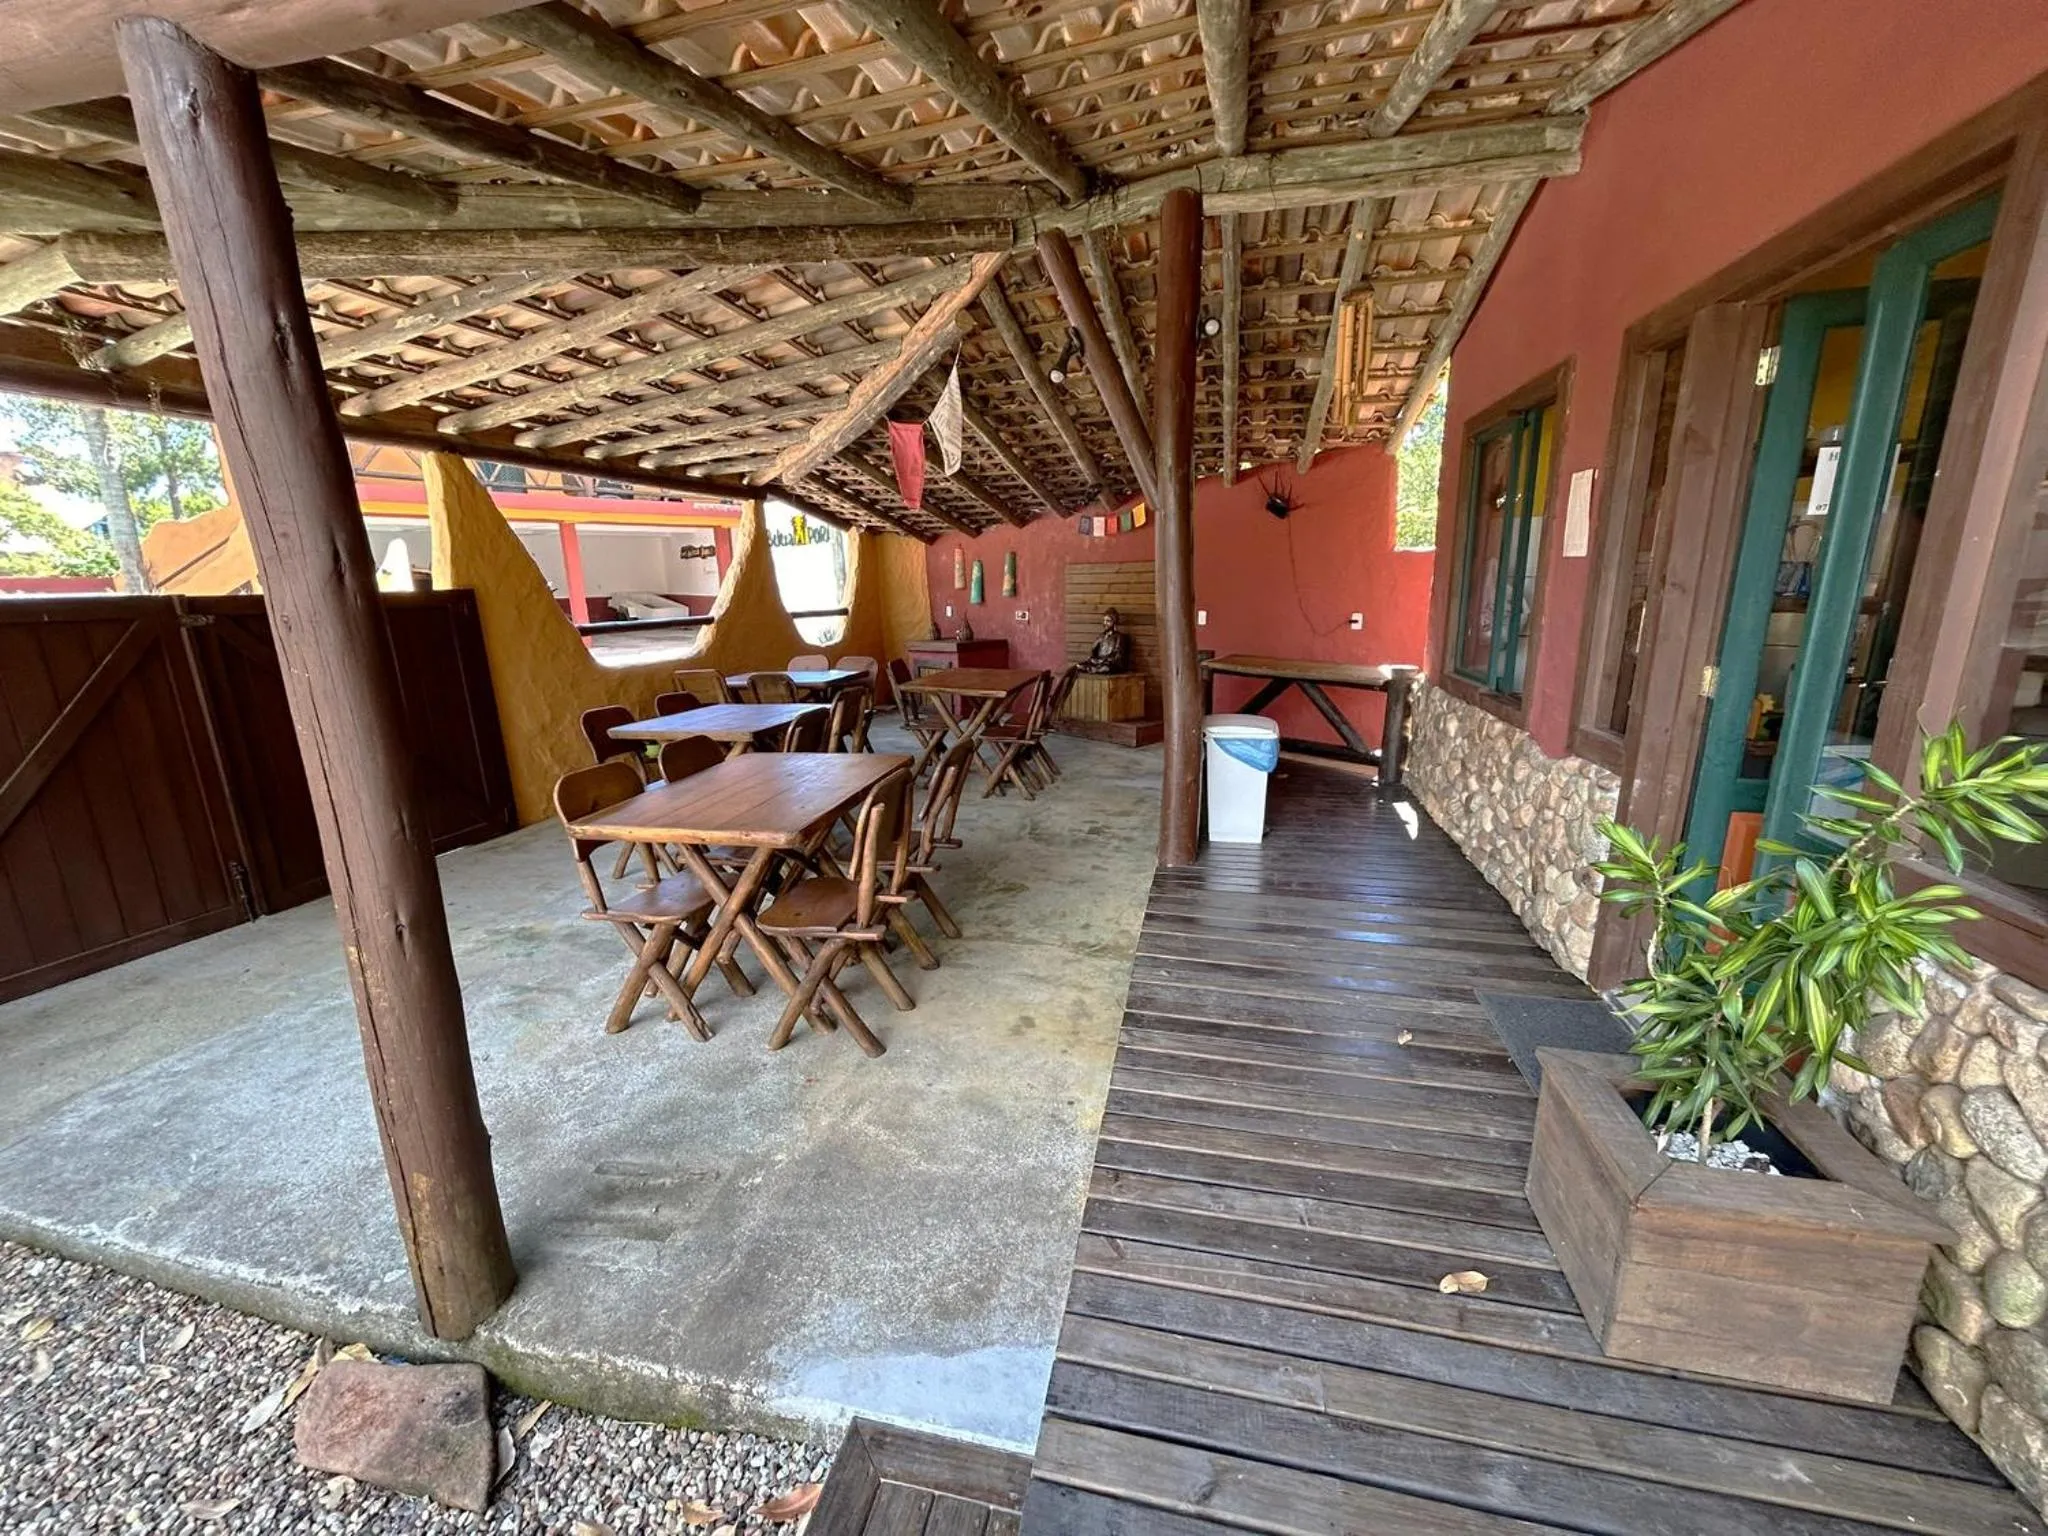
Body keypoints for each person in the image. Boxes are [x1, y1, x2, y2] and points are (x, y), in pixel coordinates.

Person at [1078, 607, 1131, 674]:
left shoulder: (1119, 637)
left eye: (1108, 621)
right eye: (1104, 620)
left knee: (1106, 668)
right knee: (1079, 665)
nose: (1105, 623)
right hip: (1099, 663)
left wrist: (1102, 661)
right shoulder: (1101, 636)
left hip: (1110, 664)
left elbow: (1118, 658)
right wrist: (1094, 659)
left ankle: (1092, 669)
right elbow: (1093, 654)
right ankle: (1091, 669)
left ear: (1114, 622)